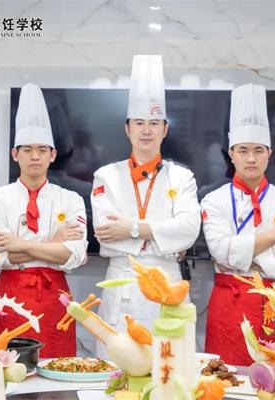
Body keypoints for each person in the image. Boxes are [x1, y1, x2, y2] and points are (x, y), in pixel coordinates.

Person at [91, 55, 201, 358]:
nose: (146, 130)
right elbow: (105, 232)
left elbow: (188, 230)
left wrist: (131, 228)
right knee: (115, 369)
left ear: (165, 129)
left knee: (169, 369)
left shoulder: (183, 177)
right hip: (121, 285)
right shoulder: (106, 176)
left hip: (167, 283)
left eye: (154, 123)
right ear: (127, 128)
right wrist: (161, 234)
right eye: (139, 123)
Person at [201, 83, 275, 365]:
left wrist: (241, 256)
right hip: (229, 305)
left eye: (259, 150)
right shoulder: (212, 200)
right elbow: (219, 250)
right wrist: (273, 236)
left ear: (269, 153)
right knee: (225, 379)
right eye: (243, 150)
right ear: (231, 153)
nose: (251, 158)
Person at [0, 83, 87, 357]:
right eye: (27, 149)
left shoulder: (71, 199)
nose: (35, 156)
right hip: (8, 301)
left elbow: (74, 255)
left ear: (53, 154)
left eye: (42, 149)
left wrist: (17, 244)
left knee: (58, 370)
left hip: (56, 302)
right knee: (9, 372)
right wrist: (53, 244)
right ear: (15, 154)